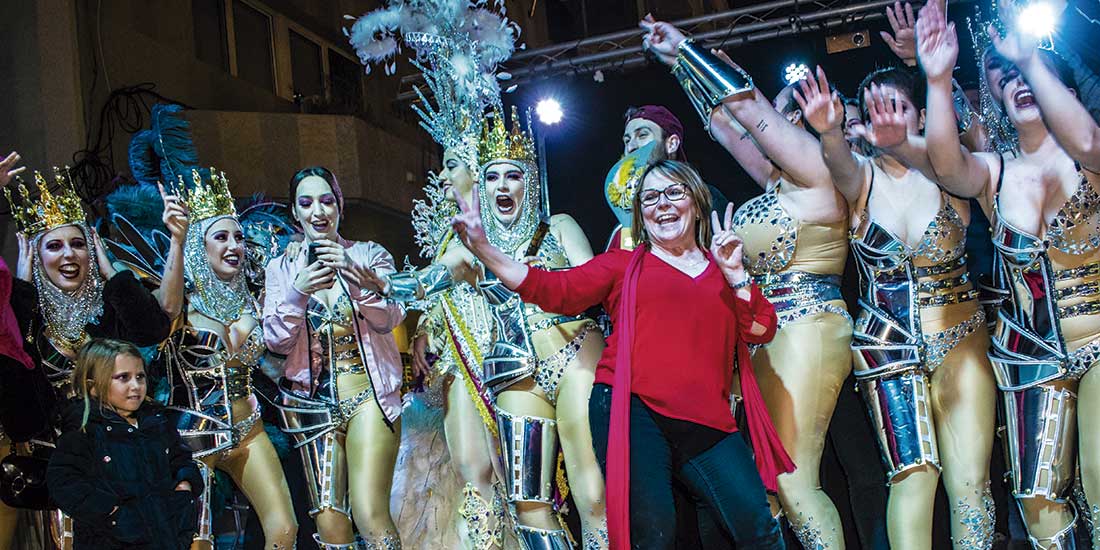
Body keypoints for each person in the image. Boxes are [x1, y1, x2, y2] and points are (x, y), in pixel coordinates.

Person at [453, 157, 791, 549]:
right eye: (649, 198)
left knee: (757, 525)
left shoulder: (722, 271)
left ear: (696, 203)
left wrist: (737, 277)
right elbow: (552, 290)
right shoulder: (624, 265)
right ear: (640, 216)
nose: (661, 204)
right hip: (633, 409)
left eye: (673, 193)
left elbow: (761, 329)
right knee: (653, 534)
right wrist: (483, 248)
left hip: (707, 419)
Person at [641, 16, 853, 549]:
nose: (776, 122)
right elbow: (723, 126)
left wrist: (687, 48)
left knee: (795, 479)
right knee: (774, 486)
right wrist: (679, 66)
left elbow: (743, 109)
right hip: (770, 332)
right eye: (777, 113)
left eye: (787, 115)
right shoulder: (780, 180)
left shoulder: (820, 167)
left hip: (809, 328)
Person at [918, 1, 1100, 546]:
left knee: (1099, 479)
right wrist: (937, 77)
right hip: (1028, 358)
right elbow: (949, 166)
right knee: (1037, 498)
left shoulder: (1089, 158)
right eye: (1010, 78)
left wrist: (1030, 59)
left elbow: (1088, 140)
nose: (1021, 84)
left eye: (1034, 79)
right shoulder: (996, 172)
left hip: (1098, 340)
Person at [796, 61, 998, 549]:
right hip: (887, 351)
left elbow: (977, 140)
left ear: (923, 117)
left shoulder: (952, 174)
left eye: (896, 107)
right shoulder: (859, 181)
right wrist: (828, 133)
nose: (883, 119)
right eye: (871, 111)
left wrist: (936, 71)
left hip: (961, 339)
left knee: (971, 485)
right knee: (913, 476)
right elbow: (840, 162)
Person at [5, 161, 179, 549]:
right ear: (36, 256)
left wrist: (112, 271)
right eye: (54, 246)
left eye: (78, 243)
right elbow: (13, 381)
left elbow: (152, 329)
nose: (69, 255)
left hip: (124, 464)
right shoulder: (29, 315)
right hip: (60, 469)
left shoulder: (110, 309)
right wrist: (20, 286)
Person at [263, 166, 406, 549]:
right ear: (295, 212)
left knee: (370, 514)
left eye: (327, 201)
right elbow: (275, 341)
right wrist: (297, 292)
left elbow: (390, 317)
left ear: (340, 206)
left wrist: (355, 276)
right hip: (311, 411)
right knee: (330, 528)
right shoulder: (281, 267)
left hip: (369, 399)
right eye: (306, 203)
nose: (318, 212)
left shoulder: (369, 255)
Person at [162, 168, 298, 549]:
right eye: (220, 237)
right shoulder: (182, 303)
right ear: (198, 247)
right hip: (194, 436)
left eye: (238, 236)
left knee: (284, 529)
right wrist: (177, 239)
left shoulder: (253, 298)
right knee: (198, 542)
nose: (233, 245)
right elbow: (164, 308)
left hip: (249, 429)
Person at [47, 338, 203, 550]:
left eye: (140, 377)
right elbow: (63, 481)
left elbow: (181, 459)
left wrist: (184, 489)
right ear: (93, 386)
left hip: (167, 538)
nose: (136, 386)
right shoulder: (85, 430)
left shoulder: (155, 421)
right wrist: (113, 513)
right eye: (123, 378)